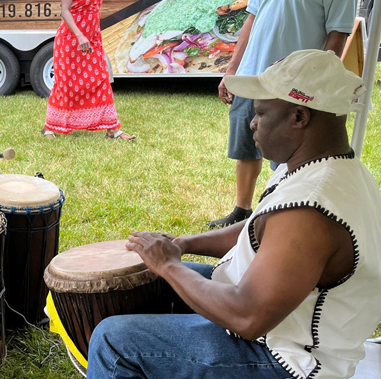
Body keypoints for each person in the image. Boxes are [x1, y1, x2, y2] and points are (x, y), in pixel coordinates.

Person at [87, 49, 381, 379]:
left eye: (261, 113)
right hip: (281, 329)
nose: (252, 123)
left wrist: (169, 264)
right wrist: (182, 244)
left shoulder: (310, 211)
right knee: (150, 282)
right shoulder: (330, 168)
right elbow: (262, 230)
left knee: (114, 341)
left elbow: (248, 317)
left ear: (299, 117)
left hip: (286, 361)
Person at [213, 0, 357, 228]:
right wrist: (232, 70)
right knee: (246, 146)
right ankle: (243, 210)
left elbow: (338, 32)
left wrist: (313, 85)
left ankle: (276, 216)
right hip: (252, 77)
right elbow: (251, 17)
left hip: (291, 86)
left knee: (289, 155)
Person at [42, 0, 135, 140]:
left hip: (92, 39)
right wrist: (80, 36)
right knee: (66, 83)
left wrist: (89, 36)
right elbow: (65, 10)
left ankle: (113, 129)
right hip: (71, 39)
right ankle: (50, 127)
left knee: (101, 79)